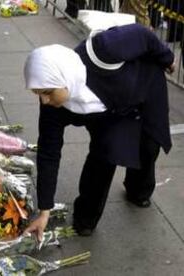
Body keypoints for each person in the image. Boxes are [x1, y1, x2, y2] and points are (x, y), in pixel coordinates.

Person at [23, 24, 175, 241]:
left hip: (143, 87)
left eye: (47, 92)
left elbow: (141, 35)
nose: (44, 100)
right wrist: (44, 210)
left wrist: (167, 58)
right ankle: (86, 217)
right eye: (38, 93)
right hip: (111, 110)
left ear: (63, 77)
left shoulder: (103, 49)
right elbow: (48, 153)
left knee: (149, 146)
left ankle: (138, 190)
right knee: (104, 155)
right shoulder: (50, 108)